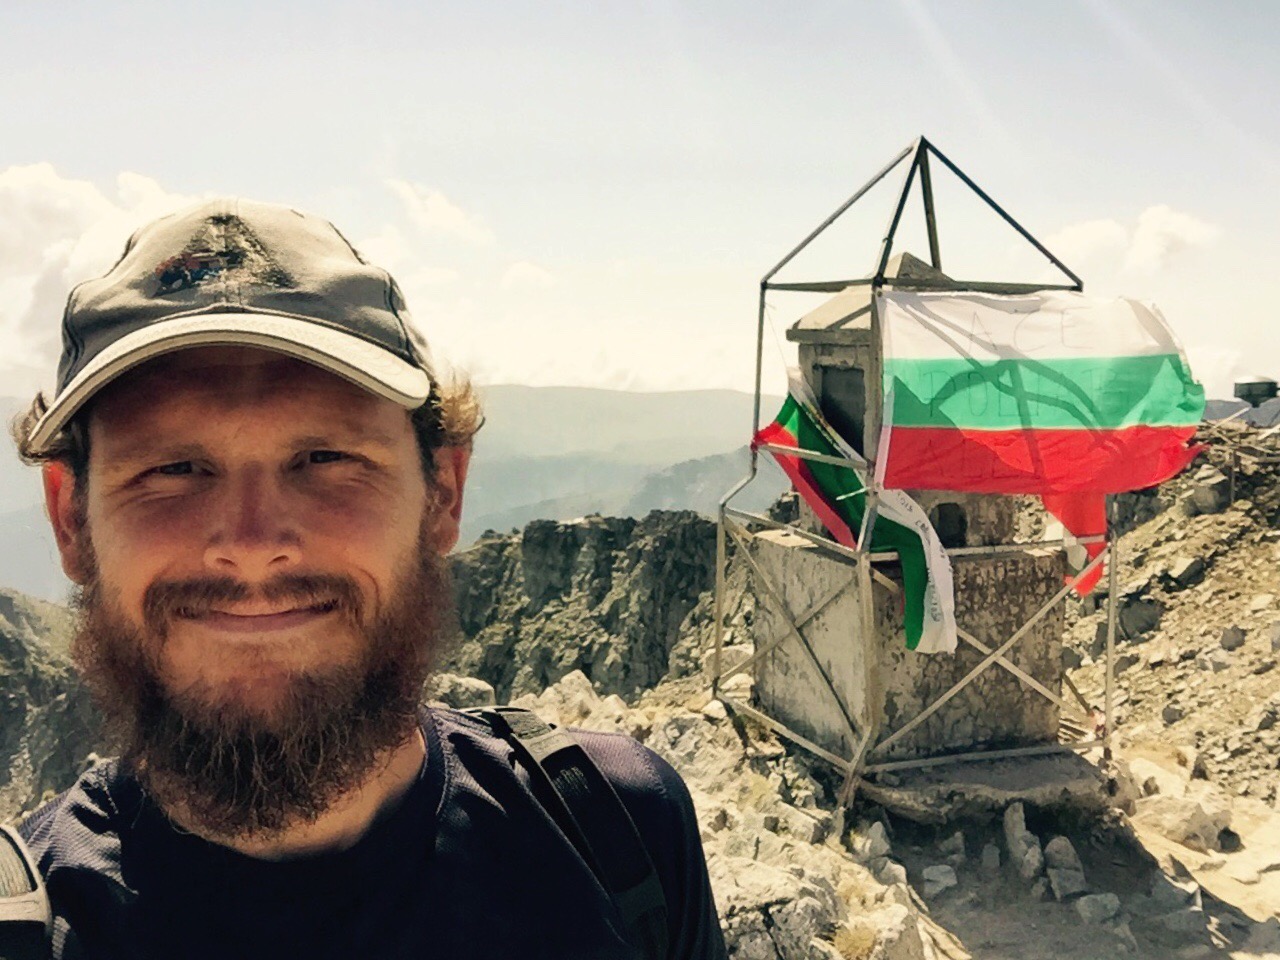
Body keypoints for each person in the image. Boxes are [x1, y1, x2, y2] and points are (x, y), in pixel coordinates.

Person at [10, 198, 728, 959]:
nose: (252, 547)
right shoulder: (24, 928)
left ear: (442, 493)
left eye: (325, 459)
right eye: (173, 469)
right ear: (70, 521)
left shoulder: (619, 834)